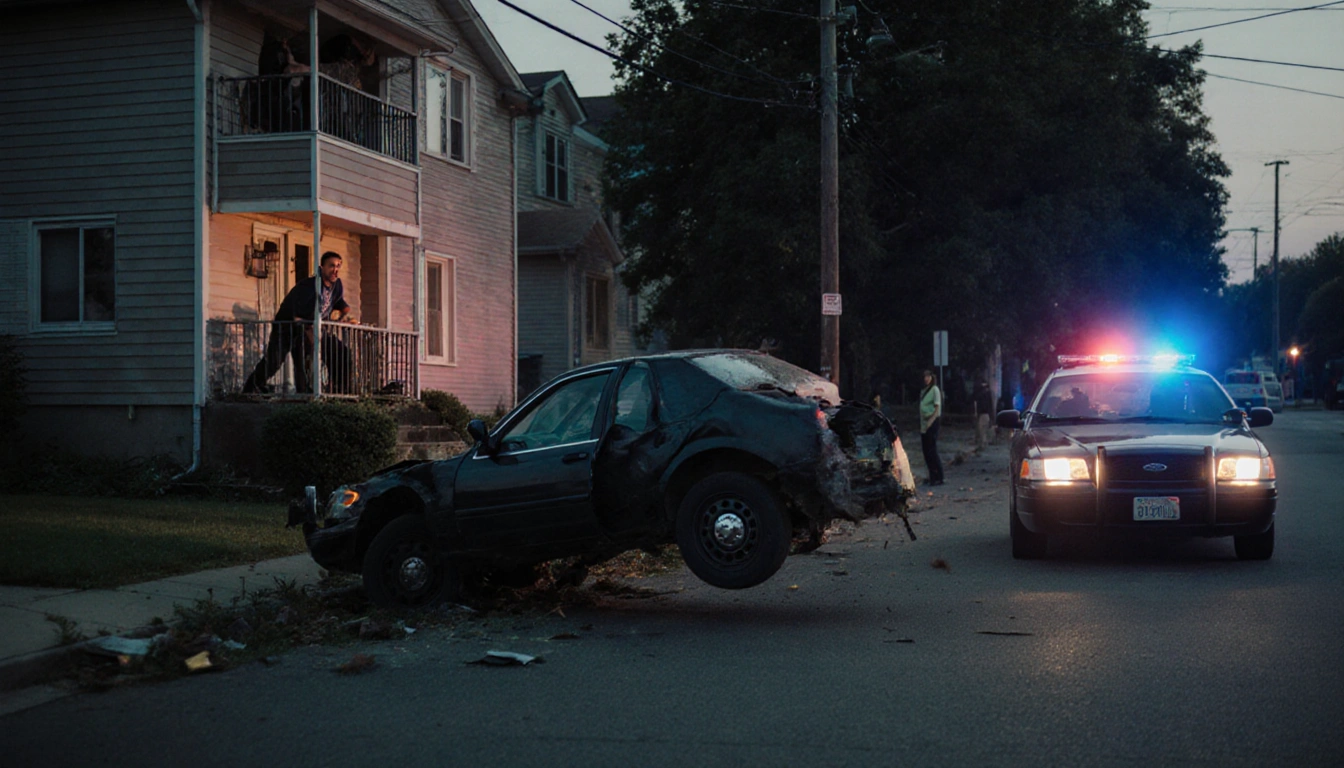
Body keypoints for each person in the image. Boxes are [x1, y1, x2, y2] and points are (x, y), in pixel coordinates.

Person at [243, 251, 356, 394]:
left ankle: (339, 388)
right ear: (321, 268)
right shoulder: (309, 286)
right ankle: (250, 389)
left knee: (340, 351)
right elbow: (299, 316)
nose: (335, 270)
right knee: (276, 361)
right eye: (331, 266)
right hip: (288, 327)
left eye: (338, 266)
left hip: (312, 327)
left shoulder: (336, 285)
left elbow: (338, 301)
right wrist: (313, 337)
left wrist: (346, 313)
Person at [919, 370, 945, 486]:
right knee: (926, 451)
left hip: (932, 422)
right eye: (925, 377)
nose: (926, 379)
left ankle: (938, 476)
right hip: (924, 424)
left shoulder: (935, 389)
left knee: (931, 450)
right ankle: (931, 475)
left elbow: (937, 407)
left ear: (932, 377)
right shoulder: (924, 391)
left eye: (928, 376)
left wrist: (930, 421)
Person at [973, 380, 993, 448]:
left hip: (982, 414)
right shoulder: (988, 394)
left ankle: (983, 443)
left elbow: (976, 402)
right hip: (986, 414)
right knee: (984, 429)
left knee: (982, 429)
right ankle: (984, 443)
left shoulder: (980, 394)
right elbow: (990, 405)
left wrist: (976, 412)